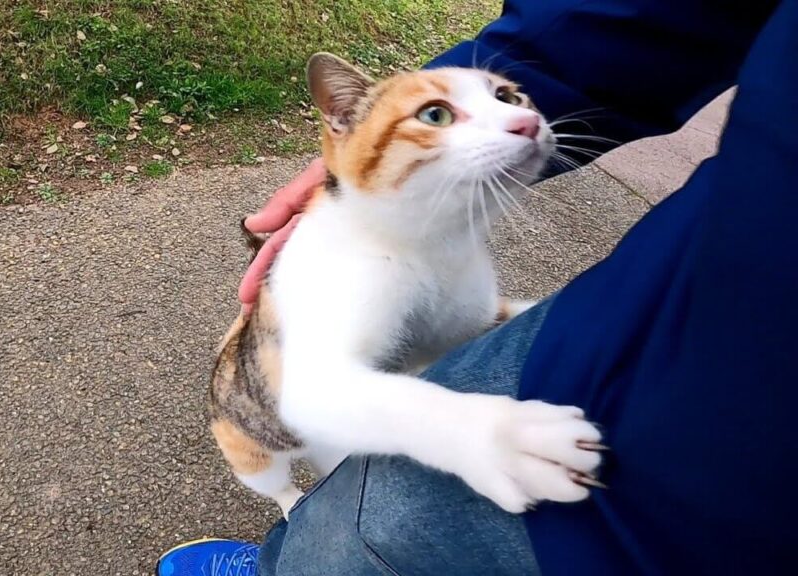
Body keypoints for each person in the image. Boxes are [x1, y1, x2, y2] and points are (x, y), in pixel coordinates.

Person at [158, 0, 798, 574]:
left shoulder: (446, 248)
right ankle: (286, 521)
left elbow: (469, 326)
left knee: (366, 528)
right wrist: (468, 431)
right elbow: (313, 396)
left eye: (509, 96)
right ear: (342, 127)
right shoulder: (348, 255)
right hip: (268, 414)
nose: (519, 120)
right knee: (299, 491)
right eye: (439, 114)